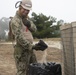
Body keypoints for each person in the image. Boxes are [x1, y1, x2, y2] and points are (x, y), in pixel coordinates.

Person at [10, 0, 37, 75]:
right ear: (20, 7)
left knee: (34, 69)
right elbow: (19, 37)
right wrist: (32, 46)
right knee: (22, 72)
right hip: (21, 50)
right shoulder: (15, 20)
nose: (26, 11)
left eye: (28, 10)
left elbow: (34, 29)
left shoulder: (27, 18)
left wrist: (29, 24)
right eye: (24, 9)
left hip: (29, 49)